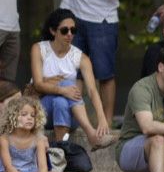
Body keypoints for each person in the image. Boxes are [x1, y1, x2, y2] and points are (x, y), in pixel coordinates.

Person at [29, 8, 111, 147]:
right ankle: (90, 133)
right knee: (66, 84)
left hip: (70, 113)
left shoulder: (81, 57)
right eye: (64, 30)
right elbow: (38, 84)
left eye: (73, 30)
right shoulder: (39, 49)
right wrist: (62, 90)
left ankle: (61, 149)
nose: (69, 34)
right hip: (40, 111)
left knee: (61, 102)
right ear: (53, 31)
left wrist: (102, 118)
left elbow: (92, 91)